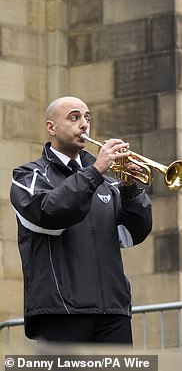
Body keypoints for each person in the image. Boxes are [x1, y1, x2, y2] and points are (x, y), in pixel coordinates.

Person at [10, 96, 152, 344]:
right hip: (61, 312)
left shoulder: (108, 182)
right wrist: (95, 171)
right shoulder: (28, 175)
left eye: (87, 118)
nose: (84, 124)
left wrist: (129, 187)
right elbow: (49, 211)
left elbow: (135, 233)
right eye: (74, 117)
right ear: (51, 127)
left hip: (113, 313)